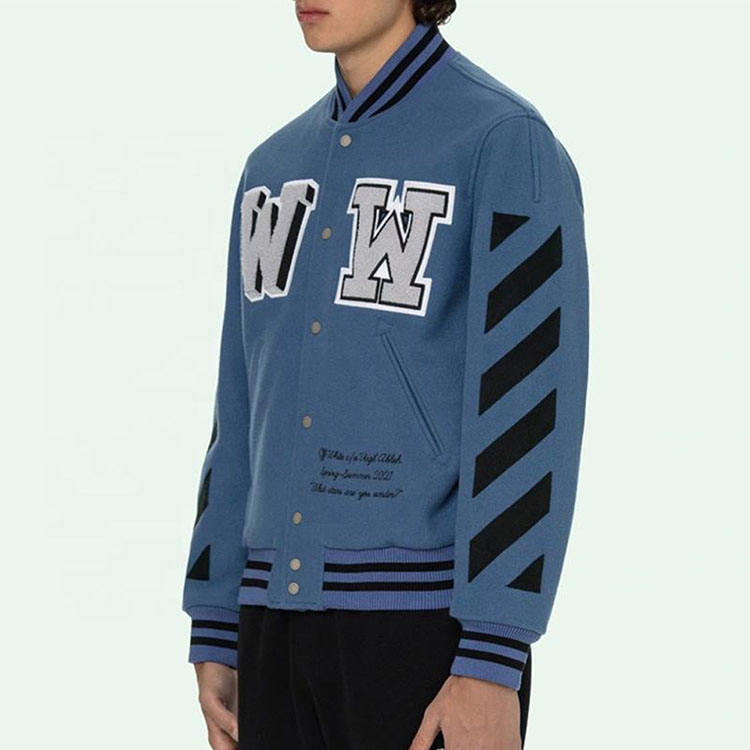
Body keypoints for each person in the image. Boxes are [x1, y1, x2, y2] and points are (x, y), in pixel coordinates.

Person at [181, 1, 589, 748]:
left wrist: (493, 655)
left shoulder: (503, 142)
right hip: (268, 622)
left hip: (426, 632)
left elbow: (530, 406)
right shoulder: (271, 169)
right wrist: (215, 617)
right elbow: (239, 400)